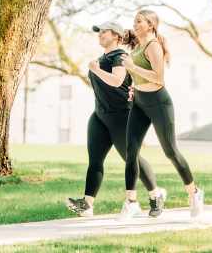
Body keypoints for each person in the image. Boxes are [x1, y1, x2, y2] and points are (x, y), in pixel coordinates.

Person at [66, 20, 166, 218]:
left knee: (131, 158)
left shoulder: (120, 56)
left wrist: (95, 70)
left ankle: (156, 195)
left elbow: (117, 80)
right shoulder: (101, 58)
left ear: (117, 36)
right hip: (100, 116)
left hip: (122, 117)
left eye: (105, 32)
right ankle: (87, 204)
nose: (100, 35)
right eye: (99, 32)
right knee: (95, 161)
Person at [120, 9, 204, 219]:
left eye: (140, 22)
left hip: (158, 103)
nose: (136, 24)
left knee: (170, 151)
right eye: (135, 21)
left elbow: (158, 78)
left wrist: (132, 67)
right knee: (131, 151)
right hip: (140, 102)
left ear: (151, 25)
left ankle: (194, 193)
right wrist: (132, 85)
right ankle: (131, 202)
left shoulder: (153, 45)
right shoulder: (138, 46)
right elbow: (136, 72)